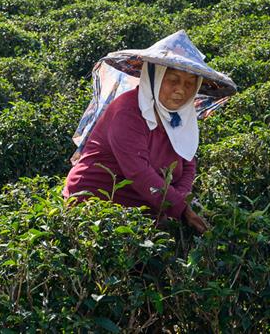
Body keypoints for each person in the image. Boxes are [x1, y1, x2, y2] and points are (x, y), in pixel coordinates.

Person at [63, 30, 236, 233]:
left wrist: (180, 201)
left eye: (190, 83)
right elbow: (138, 171)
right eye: (173, 80)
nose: (181, 90)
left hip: (147, 204)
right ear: (155, 78)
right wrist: (181, 209)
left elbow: (188, 162)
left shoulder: (181, 115)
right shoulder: (127, 111)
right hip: (96, 203)